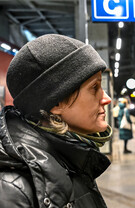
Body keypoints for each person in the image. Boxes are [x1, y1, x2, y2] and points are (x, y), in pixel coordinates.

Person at [0, 34, 113, 207]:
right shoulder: (13, 189)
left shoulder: (69, 158)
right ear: (56, 102)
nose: (107, 99)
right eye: (94, 87)